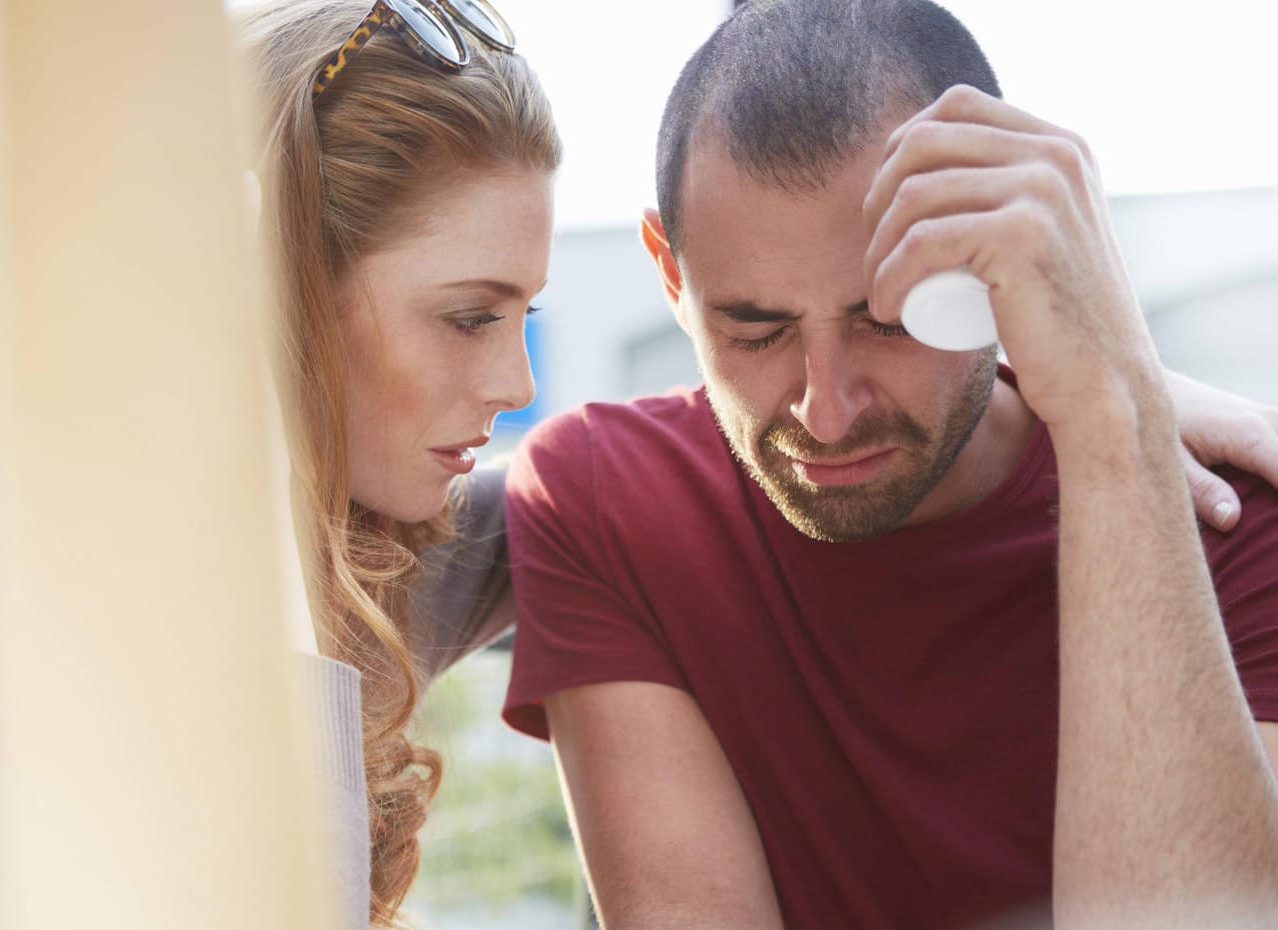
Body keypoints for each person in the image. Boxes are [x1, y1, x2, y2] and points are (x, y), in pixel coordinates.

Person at [501, 1, 1278, 928]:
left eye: (886, 320)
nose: (823, 411)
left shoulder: (1224, 516)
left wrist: (1115, 417)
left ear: (993, 268)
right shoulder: (609, 499)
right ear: (670, 274)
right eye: (755, 331)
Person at [236, 1, 559, 927]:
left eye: (524, 316)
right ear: (277, 287)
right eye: (469, 318)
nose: (516, 383)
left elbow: (626, 473)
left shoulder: (387, 561)